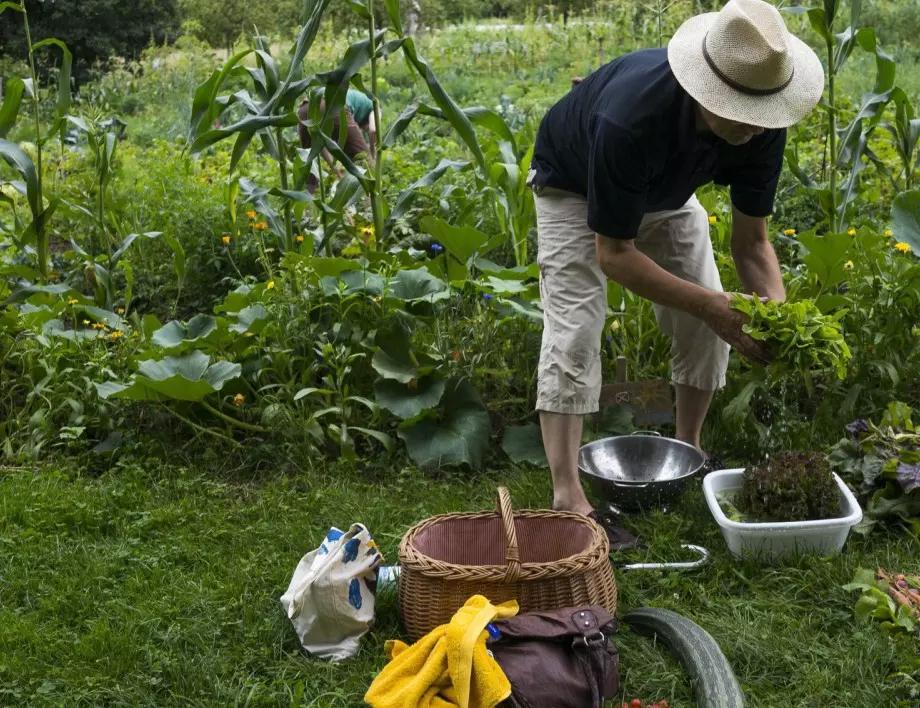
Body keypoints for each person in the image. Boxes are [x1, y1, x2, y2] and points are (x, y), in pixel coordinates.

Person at [528, 0, 824, 540]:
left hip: (666, 194)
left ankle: (688, 448)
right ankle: (567, 494)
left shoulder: (761, 123)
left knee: (712, 311)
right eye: (734, 110)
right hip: (572, 187)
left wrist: (779, 319)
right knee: (576, 327)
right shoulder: (631, 117)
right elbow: (613, 253)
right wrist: (714, 307)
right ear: (700, 88)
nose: (749, 127)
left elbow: (752, 244)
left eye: (758, 115)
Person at [297, 88, 379, 194]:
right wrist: (373, 155)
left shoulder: (357, 102)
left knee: (309, 165)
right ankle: (371, 206)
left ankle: (307, 207)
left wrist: (335, 169)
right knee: (366, 165)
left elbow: (319, 145)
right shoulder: (374, 106)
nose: (365, 131)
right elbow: (373, 130)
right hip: (332, 103)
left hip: (305, 107)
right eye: (365, 130)